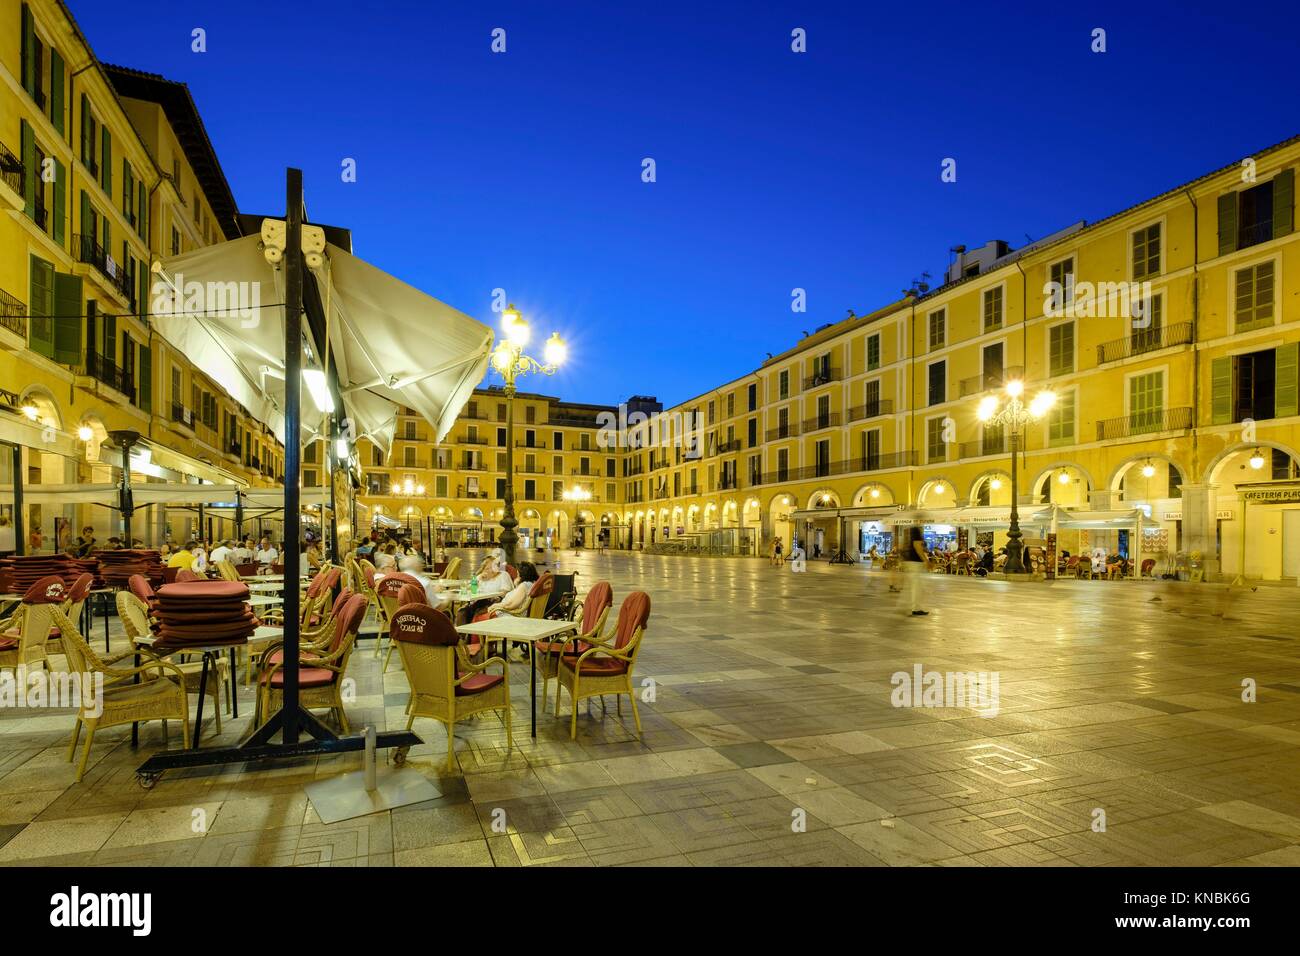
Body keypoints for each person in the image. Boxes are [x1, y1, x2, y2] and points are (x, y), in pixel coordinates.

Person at [897, 526, 931, 616]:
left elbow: (903, 546)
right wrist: (926, 561)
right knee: (917, 587)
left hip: (910, 561)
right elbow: (917, 546)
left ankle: (912, 607)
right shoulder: (916, 530)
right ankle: (916, 608)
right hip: (915, 563)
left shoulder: (908, 530)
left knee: (915, 586)